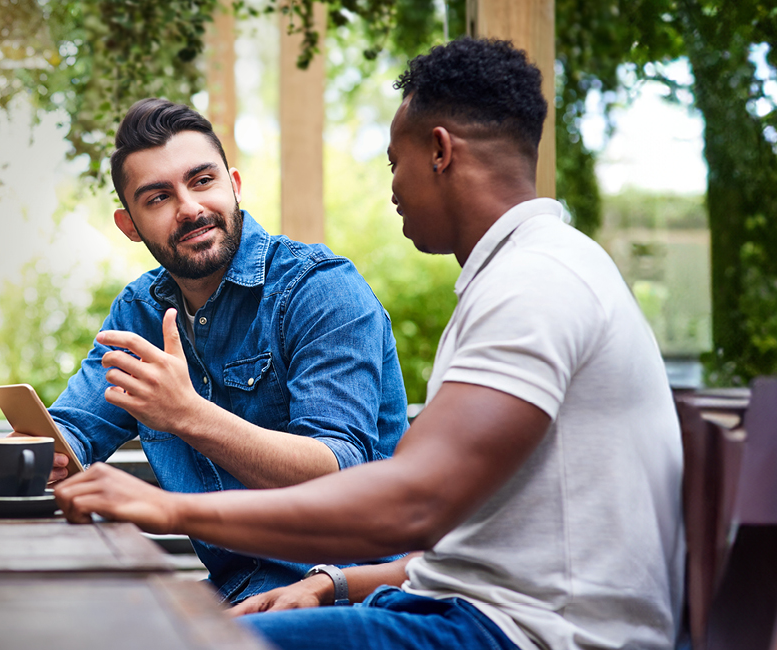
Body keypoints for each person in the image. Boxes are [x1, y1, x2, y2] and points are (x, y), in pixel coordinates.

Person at [54, 38, 685, 650]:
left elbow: (413, 503)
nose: (391, 189)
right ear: (131, 223)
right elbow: (462, 548)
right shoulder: (520, 275)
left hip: (520, 634)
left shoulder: (537, 284)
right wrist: (336, 584)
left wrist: (173, 510)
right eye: (159, 196)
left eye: (392, 161)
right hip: (454, 607)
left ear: (439, 152)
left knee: (163, 637)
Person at [44, 98, 408, 603]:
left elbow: (339, 469)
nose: (190, 208)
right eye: (157, 198)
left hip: (345, 591)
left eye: (202, 181)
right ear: (129, 225)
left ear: (233, 184)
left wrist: (188, 414)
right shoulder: (139, 312)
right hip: (234, 588)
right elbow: (77, 429)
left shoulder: (319, 290)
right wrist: (45, 452)